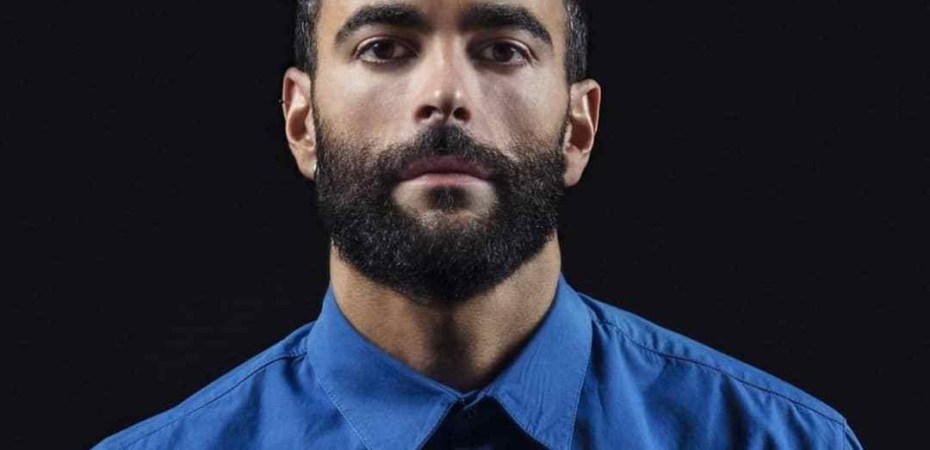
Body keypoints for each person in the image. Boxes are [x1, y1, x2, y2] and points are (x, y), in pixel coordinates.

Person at [93, 0, 863, 448]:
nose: (445, 94)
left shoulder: (785, 441)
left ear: (578, 128)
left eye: (502, 49)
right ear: (302, 123)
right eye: (384, 48)